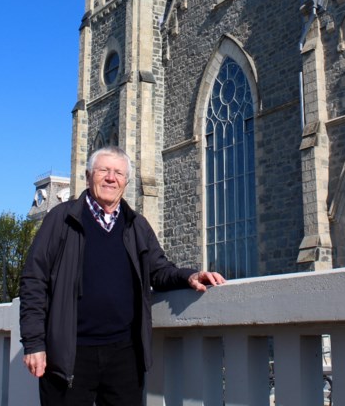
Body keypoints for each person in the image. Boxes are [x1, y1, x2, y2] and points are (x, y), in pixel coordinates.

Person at [19, 146, 226, 405]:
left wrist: (189, 276)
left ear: (125, 182)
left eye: (118, 173)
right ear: (87, 176)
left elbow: (159, 270)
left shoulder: (136, 224)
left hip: (124, 354)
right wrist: (34, 343)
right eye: (103, 170)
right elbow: (33, 280)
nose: (110, 177)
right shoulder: (61, 219)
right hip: (70, 352)